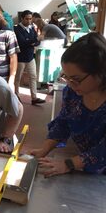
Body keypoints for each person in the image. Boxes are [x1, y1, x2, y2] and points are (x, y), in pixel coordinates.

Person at [28, 32, 106, 176]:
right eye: (67, 77)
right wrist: (44, 150)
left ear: (100, 72)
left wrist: (68, 164)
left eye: (76, 79)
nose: (71, 84)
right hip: (87, 167)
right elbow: (63, 122)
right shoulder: (72, 93)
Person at [14, 10, 46, 105]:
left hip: (30, 57)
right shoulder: (16, 29)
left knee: (33, 77)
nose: (29, 21)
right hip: (20, 58)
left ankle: (34, 97)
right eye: (27, 19)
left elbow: (37, 42)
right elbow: (22, 42)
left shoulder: (32, 28)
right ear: (22, 19)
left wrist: (32, 41)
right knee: (17, 79)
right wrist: (34, 40)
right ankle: (15, 96)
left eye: (30, 19)